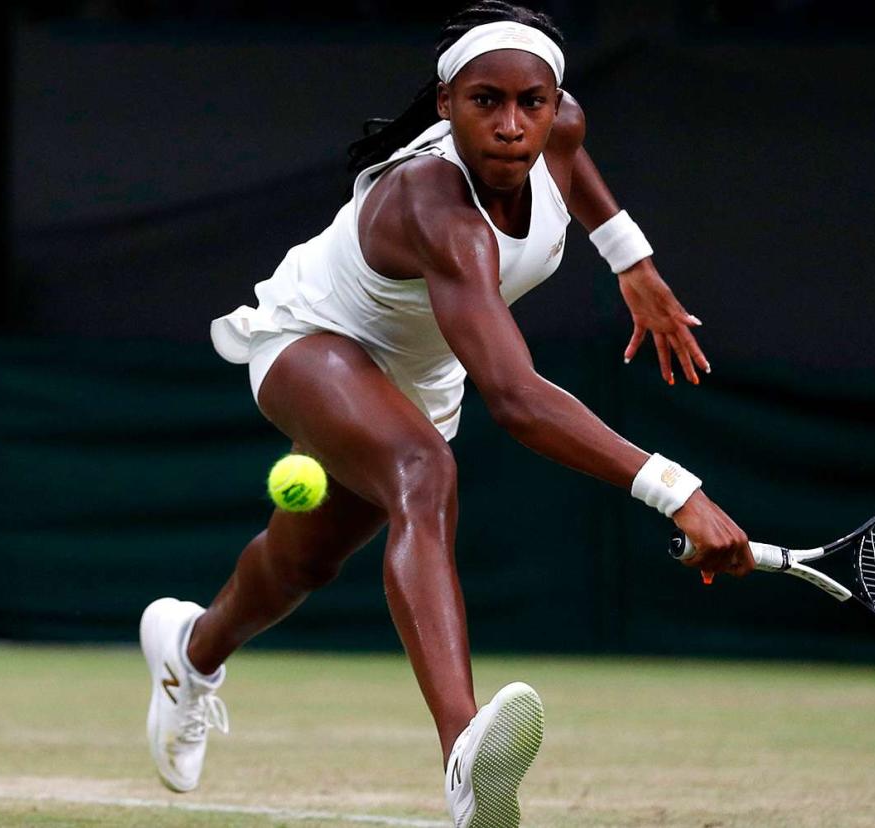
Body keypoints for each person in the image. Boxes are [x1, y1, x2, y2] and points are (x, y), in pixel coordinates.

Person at [138, 3, 754, 826]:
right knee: (424, 473)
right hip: (309, 339)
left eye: (530, 103)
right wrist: (676, 490)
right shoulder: (436, 206)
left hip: (417, 374)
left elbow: (577, 168)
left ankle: (190, 651)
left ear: (554, 101)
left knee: (304, 563)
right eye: (484, 102)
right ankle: (464, 754)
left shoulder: (559, 124)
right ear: (444, 103)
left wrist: (631, 263)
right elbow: (516, 398)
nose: (511, 125)